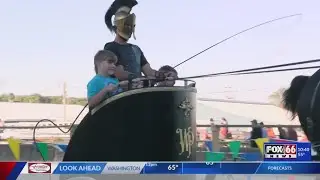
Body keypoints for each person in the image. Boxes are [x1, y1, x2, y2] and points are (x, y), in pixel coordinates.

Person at [104, 0, 174, 82]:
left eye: (131, 26)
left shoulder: (136, 49)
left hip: (138, 88)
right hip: (121, 91)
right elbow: (118, 72)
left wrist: (160, 75)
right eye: (126, 25)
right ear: (116, 27)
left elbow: (149, 71)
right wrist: (138, 77)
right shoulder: (111, 47)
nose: (129, 29)